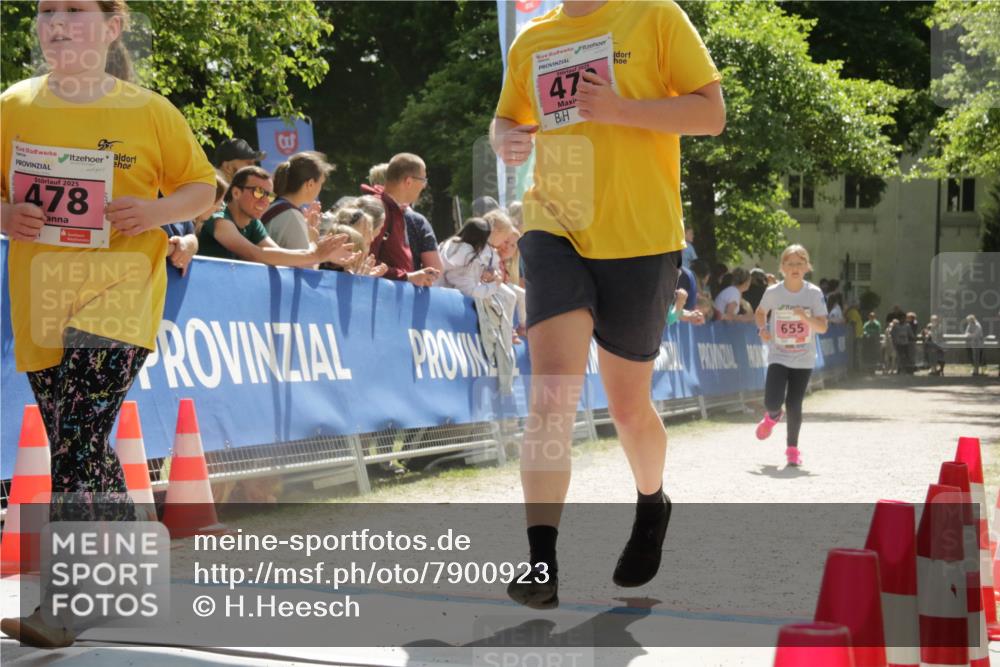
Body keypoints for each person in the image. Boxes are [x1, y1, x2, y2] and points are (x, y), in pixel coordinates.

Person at [491, 0, 724, 608]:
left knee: (627, 406)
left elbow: (711, 114)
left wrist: (621, 109)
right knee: (551, 396)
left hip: (641, 238)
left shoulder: (656, 15)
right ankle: (541, 565)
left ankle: (652, 504)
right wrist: (506, 139)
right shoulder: (533, 39)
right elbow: (506, 118)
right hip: (555, 224)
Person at [0, 0, 217, 647]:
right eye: (46, 10)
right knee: (80, 442)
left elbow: (201, 188)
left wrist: (154, 213)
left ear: (112, 26)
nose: (57, 21)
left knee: (76, 438)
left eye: (74, 8)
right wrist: (5, 216)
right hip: (42, 303)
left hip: (121, 296)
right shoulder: (12, 106)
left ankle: (65, 604)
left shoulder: (149, 111)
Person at [754, 245, 829, 467]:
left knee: (794, 404)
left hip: (804, 358)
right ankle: (773, 415)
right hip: (779, 354)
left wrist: (805, 318)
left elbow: (822, 327)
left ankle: (792, 450)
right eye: (790, 264)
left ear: (807, 267)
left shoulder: (813, 293)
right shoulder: (774, 292)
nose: (795, 268)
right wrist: (762, 328)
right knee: (772, 401)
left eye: (799, 263)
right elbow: (760, 312)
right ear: (783, 267)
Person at [197, 166, 357, 269]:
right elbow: (255, 254)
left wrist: (320, 252)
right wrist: (315, 254)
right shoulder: (219, 218)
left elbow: (279, 255)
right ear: (236, 193)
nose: (265, 201)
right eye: (258, 192)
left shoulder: (253, 223)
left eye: (269, 195)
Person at [369, 153, 439, 286]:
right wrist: (407, 277)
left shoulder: (393, 208)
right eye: (423, 180)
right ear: (408, 181)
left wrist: (408, 277)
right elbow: (364, 261)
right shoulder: (377, 209)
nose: (424, 186)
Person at [263, 151, 335, 251]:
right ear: (310, 184)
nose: (320, 189)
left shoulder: (273, 204)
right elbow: (305, 260)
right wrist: (312, 240)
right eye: (321, 183)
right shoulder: (291, 215)